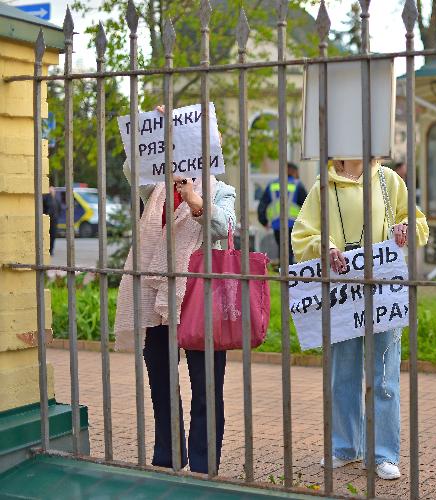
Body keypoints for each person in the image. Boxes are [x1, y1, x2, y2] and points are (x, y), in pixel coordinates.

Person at [114, 107, 237, 474]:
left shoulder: (221, 191)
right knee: (162, 384)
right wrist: (149, 125)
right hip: (156, 298)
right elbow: (131, 167)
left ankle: (203, 462)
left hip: (199, 298)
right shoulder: (155, 190)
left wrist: (198, 201)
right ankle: (168, 456)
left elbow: (226, 226)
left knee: (206, 387)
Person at [291, 158, 428, 480]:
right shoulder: (322, 186)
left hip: (382, 289)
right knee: (344, 372)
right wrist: (323, 245)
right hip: (343, 294)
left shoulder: (388, 179)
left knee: (384, 373)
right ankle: (344, 446)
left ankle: (383, 453)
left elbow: (417, 222)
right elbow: (303, 232)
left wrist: (406, 229)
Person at [258, 162, 307, 264]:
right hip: (294, 225)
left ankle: (284, 273)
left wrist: (264, 221)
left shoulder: (272, 185)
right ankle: (289, 274)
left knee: (282, 250)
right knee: (291, 251)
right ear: (294, 172)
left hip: (277, 224)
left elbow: (262, 205)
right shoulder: (298, 185)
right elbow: (307, 205)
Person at [42, 186, 60, 256]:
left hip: (54, 220)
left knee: (53, 235)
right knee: (47, 235)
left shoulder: (56, 199)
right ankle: (47, 250)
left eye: (53, 190)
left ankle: (51, 250)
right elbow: (43, 208)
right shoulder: (46, 198)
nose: (52, 191)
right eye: (51, 190)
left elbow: (59, 208)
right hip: (47, 219)